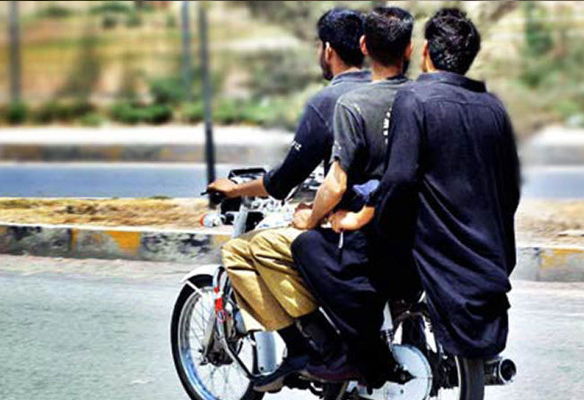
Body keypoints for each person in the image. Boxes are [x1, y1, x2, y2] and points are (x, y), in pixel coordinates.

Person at [333, 8, 521, 360]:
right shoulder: (493, 108)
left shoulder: (415, 101)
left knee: (326, 257)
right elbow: (510, 190)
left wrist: (374, 226)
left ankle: (352, 359)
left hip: (429, 252)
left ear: (425, 53)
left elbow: (400, 179)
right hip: (488, 253)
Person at [205, 8, 371, 392]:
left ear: (328, 49)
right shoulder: (393, 90)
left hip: (345, 228)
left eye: (319, 45)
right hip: (390, 219)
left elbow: (282, 182)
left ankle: (307, 348)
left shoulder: (327, 103)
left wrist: (235, 189)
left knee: (242, 252)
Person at [289, 6, 417, 387]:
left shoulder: (352, 104)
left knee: (307, 246)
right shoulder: (421, 96)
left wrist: (312, 217)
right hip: (420, 228)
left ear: (364, 45)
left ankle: (358, 354)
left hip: (373, 237)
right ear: (409, 50)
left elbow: (336, 184)